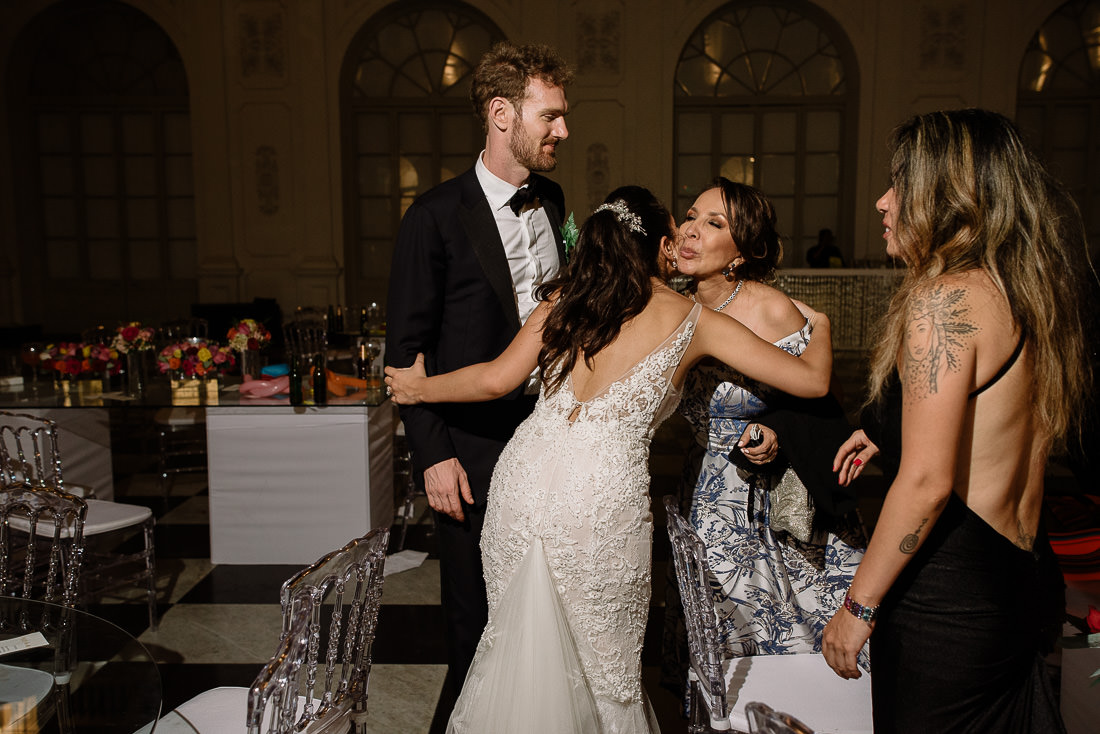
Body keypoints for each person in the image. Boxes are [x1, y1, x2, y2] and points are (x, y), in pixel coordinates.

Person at [385, 186, 834, 733]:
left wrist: (419, 390)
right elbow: (813, 381)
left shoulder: (566, 301)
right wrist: (824, 327)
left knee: (517, 653)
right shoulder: (694, 320)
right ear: (663, 247)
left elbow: (495, 380)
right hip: (598, 495)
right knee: (602, 673)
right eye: (681, 228)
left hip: (521, 481)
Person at [823, 109, 1092, 733]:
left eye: (901, 184)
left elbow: (927, 481)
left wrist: (858, 607)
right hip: (1024, 576)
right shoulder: (1032, 295)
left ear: (949, 197)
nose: (883, 202)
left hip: (951, 600)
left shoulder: (944, 299)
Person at [384, 41, 573, 692]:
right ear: (501, 114)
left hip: (548, 442)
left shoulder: (553, 201)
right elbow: (402, 353)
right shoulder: (433, 217)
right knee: (476, 625)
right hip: (470, 454)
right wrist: (432, 454)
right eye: (549, 115)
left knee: (543, 613)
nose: (563, 130)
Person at [661, 179, 867, 703]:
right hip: (705, 490)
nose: (691, 230)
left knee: (775, 640)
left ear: (743, 251)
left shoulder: (770, 308)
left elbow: (824, 404)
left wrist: (775, 430)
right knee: (712, 639)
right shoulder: (674, 306)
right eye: (691, 215)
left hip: (766, 500)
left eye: (715, 223)